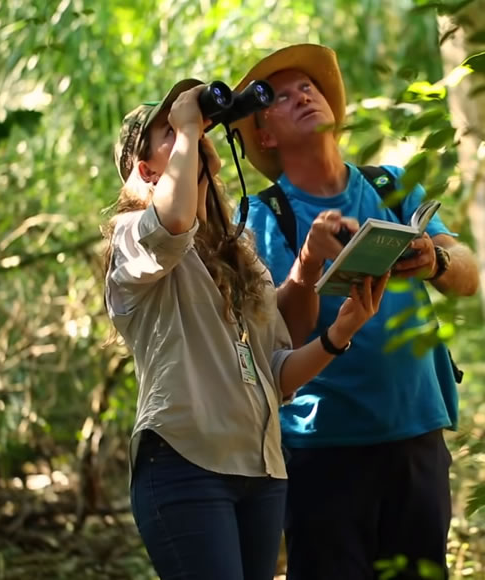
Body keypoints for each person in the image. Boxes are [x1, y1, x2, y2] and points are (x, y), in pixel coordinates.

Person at [102, 78, 388, 580]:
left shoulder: (242, 253)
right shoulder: (134, 237)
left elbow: (275, 374)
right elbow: (171, 223)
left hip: (262, 473)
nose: (194, 133)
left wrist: (338, 334)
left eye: (195, 128)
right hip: (185, 464)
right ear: (147, 170)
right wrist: (189, 126)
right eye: (169, 131)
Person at [232, 45, 480, 580]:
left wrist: (434, 258)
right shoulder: (259, 217)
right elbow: (273, 340)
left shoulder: (390, 185)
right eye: (280, 96)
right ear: (264, 134)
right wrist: (306, 264)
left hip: (417, 432)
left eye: (309, 87)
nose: (301, 96)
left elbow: (468, 275)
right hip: (322, 449)